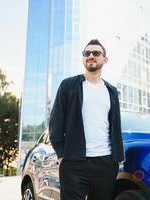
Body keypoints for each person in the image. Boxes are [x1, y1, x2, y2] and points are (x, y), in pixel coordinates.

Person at [49, 39, 124, 200]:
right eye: (87, 53)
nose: (91, 56)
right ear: (83, 58)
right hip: (73, 163)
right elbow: (56, 122)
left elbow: (115, 125)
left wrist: (116, 160)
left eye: (96, 53)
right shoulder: (68, 85)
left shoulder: (111, 91)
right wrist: (61, 155)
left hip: (105, 164)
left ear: (105, 59)